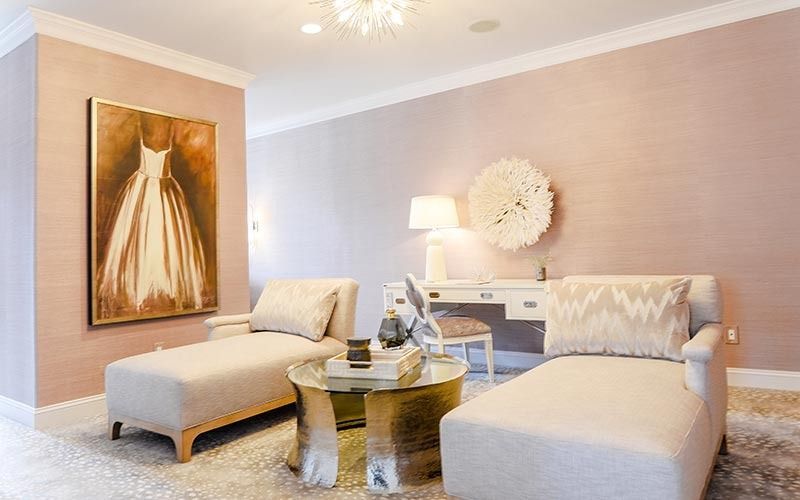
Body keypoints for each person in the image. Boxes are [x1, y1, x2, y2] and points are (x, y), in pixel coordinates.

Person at [97, 112, 207, 318]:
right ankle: (138, 290)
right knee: (139, 238)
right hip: (142, 188)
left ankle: (164, 288)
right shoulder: (142, 128)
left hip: (166, 189)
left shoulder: (168, 130)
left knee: (166, 240)